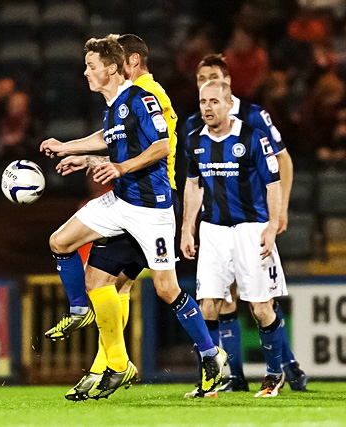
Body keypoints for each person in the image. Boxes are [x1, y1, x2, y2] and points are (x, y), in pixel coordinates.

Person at [40, 35, 226, 399]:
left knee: (166, 289)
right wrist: (73, 149)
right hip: (121, 203)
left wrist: (119, 167)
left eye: (91, 66)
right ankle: (97, 333)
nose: (86, 72)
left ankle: (210, 355)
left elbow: (162, 146)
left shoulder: (143, 98)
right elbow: (109, 138)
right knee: (64, 247)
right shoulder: (114, 105)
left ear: (111, 68)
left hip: (151, 210)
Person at [184, 54, 306, 395]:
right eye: (202, 99)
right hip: (213, 229)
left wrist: (273, 220)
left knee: (259, 304)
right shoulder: (193, 137)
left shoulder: (253, 132)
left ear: (229, 99)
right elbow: (192, 185)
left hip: (250, 229)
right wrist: (186, 228)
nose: (207, 106)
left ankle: (278, 370)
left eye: (213, 100)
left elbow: (275, 176)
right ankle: (216, 377)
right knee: (209, 302)